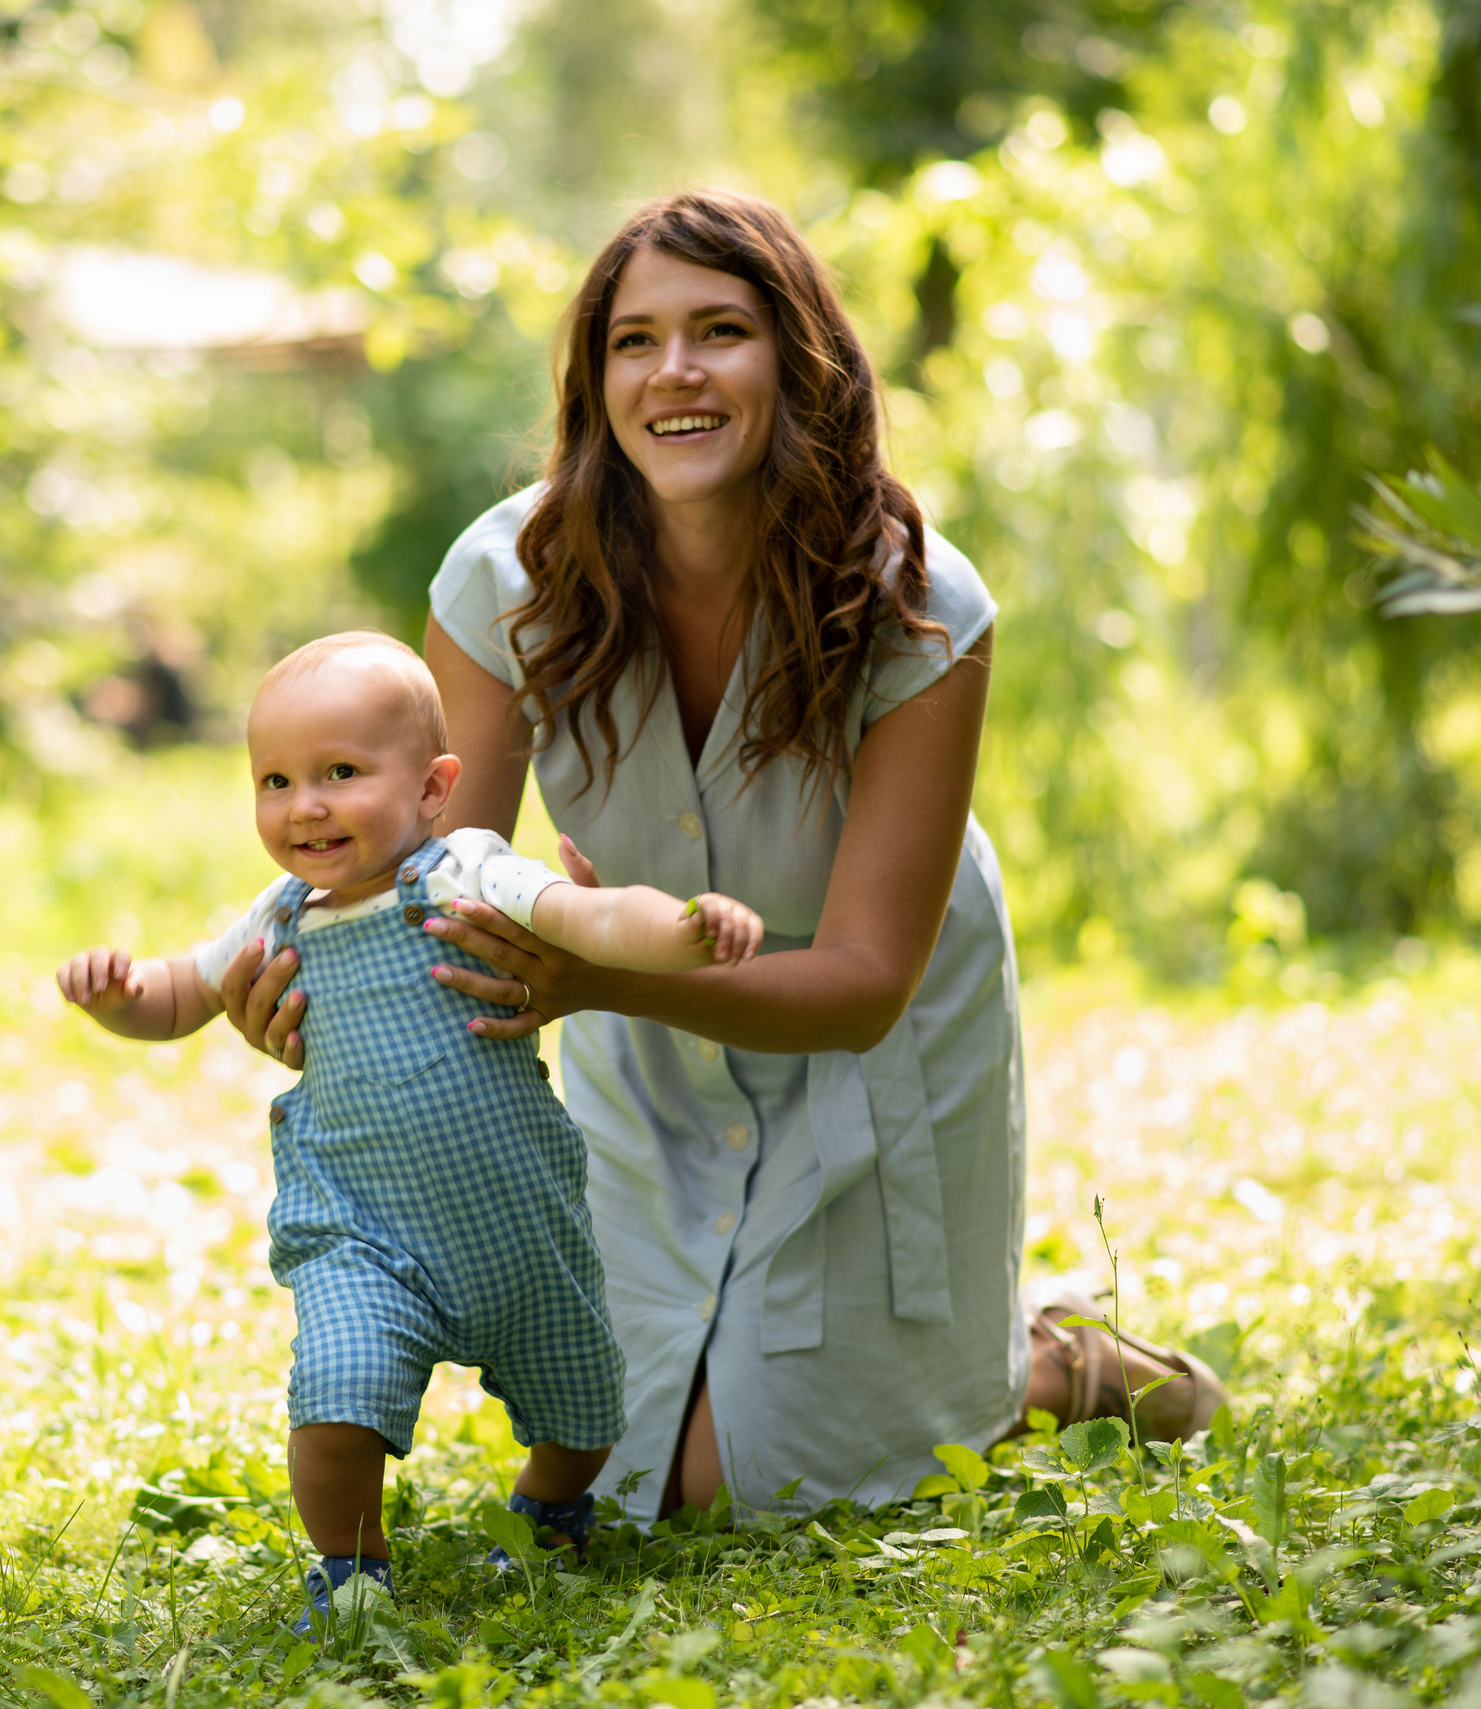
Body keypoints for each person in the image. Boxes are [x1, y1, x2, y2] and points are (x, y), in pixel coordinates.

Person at [219, 191, 1222, 1525]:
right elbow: (437, 877)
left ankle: (1043, 1363)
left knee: (768, 1480)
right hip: (646, 1046)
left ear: (799, 365)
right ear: (595, 380)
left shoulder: (921, 604)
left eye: (721, 331)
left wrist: (591, 984)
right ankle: (993, 1356)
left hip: (877, 1042)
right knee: (640, 1482)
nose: (674, 372)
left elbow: (866, 982)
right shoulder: (499, 583)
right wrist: (324, 994)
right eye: (634, 341)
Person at [54, 632, 766, 1626]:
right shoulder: (283, 910)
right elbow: (183, 994)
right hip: (361, 1231)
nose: (304, 804)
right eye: (275, 779)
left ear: (433, 787)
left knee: (587, 1411)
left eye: (340, 772)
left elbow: (588, 916)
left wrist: (681, 930)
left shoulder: (462, 869)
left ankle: (551, 1505)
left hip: (516, 1226)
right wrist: (120, 994)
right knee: (335, 1399)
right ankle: (352, 1570)